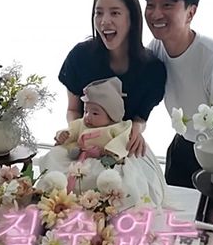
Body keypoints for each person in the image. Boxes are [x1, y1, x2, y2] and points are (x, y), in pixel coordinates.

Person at [143, 0, 213, 188]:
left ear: (190, 12)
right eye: (150, 5)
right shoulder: (156, 48)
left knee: (212, 208)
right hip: (185, 142)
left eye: (167, 5)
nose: (156, 14)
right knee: (173, 204)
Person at [58, 0, 166, 159]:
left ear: (132, 19)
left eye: (115, 13)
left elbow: (140, 118)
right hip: (82, 144)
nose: (104, 21)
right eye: (99, 13)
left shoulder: (152, 69)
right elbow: (73, 109)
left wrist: (136, 130)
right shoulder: (80, 56)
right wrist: (79, 134)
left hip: (123, 147)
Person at [42, 77, 164, 207]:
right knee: (55, 155)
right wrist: (63, 135)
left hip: (105, 160)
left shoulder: (118, 127)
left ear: (111, 115)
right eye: (86, 111)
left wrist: (112, 151)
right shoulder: (82, 124)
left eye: (95, 113)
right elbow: (72, 130)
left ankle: (99, 202)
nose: (88, 117)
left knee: (117, 179)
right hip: (79, 157)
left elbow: (122, 140)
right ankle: (56, 189)